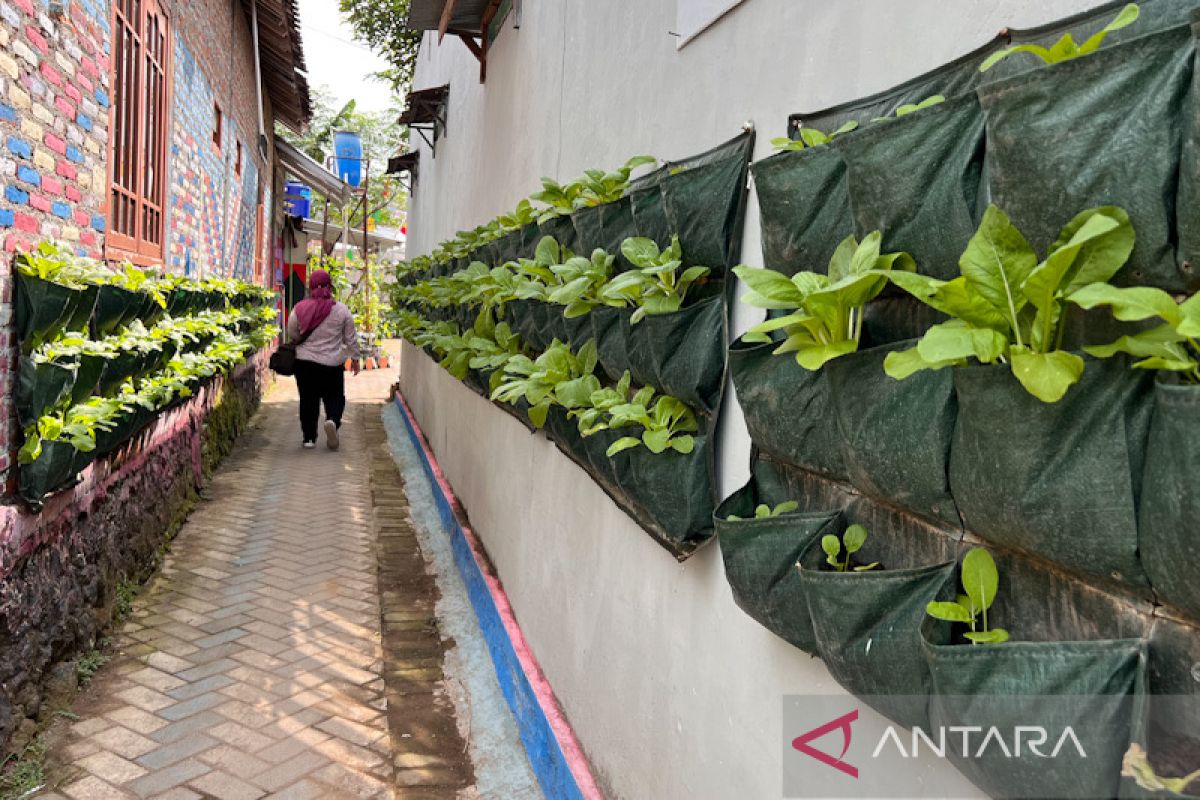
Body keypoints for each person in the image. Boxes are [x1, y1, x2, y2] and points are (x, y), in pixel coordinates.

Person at [286, 269, 361, 450]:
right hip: (332, 364)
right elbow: (350, 337)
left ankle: (309, 438)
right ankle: (332, 421)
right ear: (330, 286)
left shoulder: (299, 308)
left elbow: (292, 332)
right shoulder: (341, 310)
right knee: (334, 397)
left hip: (305, 364)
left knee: (308, 400)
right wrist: (356, 358)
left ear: (311, 286)